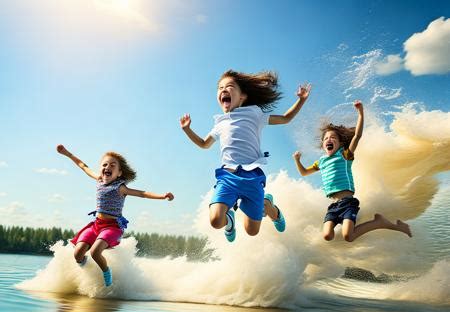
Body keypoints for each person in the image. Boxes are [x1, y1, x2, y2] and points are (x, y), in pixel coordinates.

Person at [180, 69, 311, 242]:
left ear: (242, 96)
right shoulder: (220, 123)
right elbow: (204, 144)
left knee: (251, 231)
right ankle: (230, 221)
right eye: (220, 88)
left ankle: (270, 208)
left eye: (229, 86)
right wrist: (187, 130)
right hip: (228, 176)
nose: (223, 90)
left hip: (252, 177)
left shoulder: (255, 115)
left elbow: (286, 118)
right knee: (215, 220)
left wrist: (301, 100)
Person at [292, 101, 412, 242]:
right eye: (325, 138)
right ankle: (376, 222)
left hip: (348, 203)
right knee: (327, 236)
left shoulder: (344, 155)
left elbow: (357, 136)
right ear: (323, 145)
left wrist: (360, 112)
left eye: (333, 138)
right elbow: (304, 173)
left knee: (348, 236)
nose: (328, 139)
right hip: (333, 206)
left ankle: (379, 222)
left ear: (340, 143)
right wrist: (297, 160)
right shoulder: (321, 162)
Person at [56, 144, 174, 286]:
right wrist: (67, 153)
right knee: (77, 253)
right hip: (96, 225)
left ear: (119, 173)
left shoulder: (121, 187)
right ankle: (85, 269)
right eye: (105, 164)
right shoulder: (99, 179)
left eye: (113, 165)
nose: (108, 167)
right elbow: (83, 166)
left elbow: (142, 194)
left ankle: (106, 271)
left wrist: (162, 196)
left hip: (112, 228)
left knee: (94, 252)